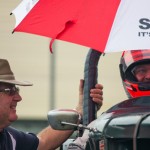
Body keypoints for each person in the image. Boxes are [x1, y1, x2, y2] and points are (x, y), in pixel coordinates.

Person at [0, 58, 103, 150]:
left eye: (16, 90)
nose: (19, 98)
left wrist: (80, 110)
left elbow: (43, 144)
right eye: (10, 91)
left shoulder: (8, 137)